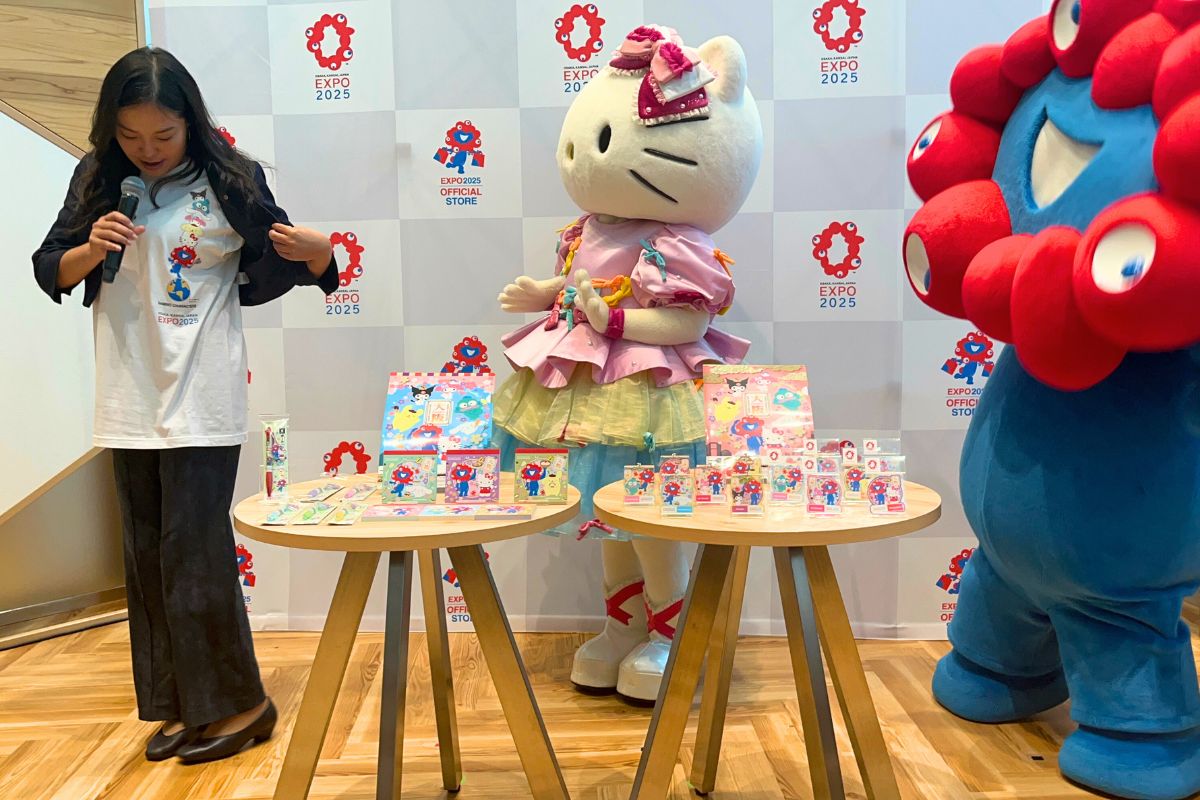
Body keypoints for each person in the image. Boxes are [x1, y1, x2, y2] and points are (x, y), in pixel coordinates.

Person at [32, 47, 339, 763]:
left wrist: (323, 256)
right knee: (147, 560)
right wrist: (87, 248)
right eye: (131, 137)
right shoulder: (98, 179)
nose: (147, 152)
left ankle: (242, 705)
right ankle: (184, 707)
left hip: (202, 392)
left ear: (189, 124)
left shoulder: (230, 178)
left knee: (194, 556)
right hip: (126, 395)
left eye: (162, 138)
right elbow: (51, 265)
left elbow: (291, 258)